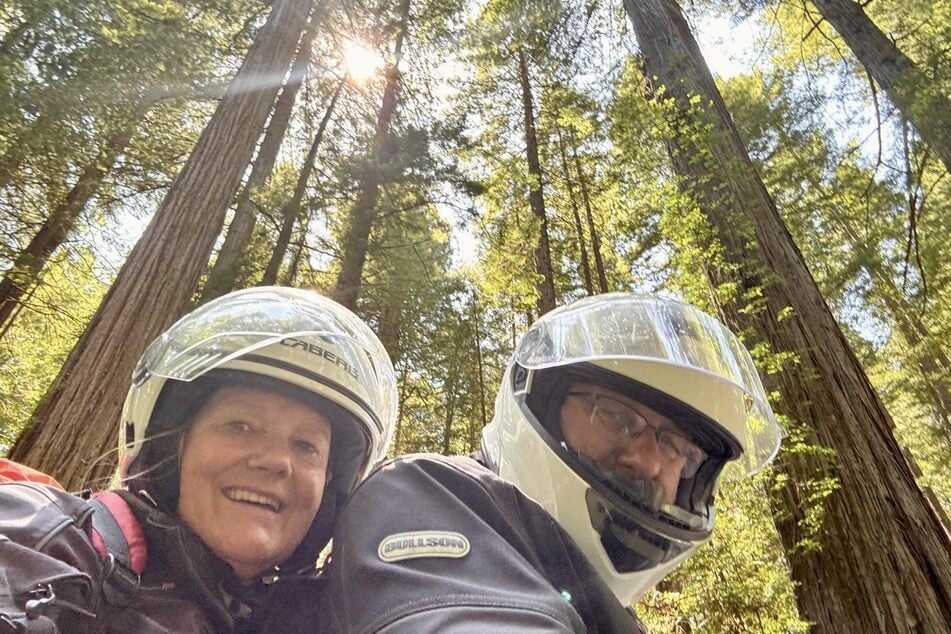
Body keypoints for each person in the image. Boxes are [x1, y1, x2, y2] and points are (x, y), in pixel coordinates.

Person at [316, 293, 783, 632]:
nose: (647, 459)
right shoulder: (428, 492)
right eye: (617, 417)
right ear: (539, 404)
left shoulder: (595, 599)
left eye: (678, 448)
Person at [0, 286, 397, 632]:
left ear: (330, 487)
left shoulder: (332, 615)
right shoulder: (53, 535)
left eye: (307, 446)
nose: (277, 461)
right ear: (173, 445)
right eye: (242, 426)